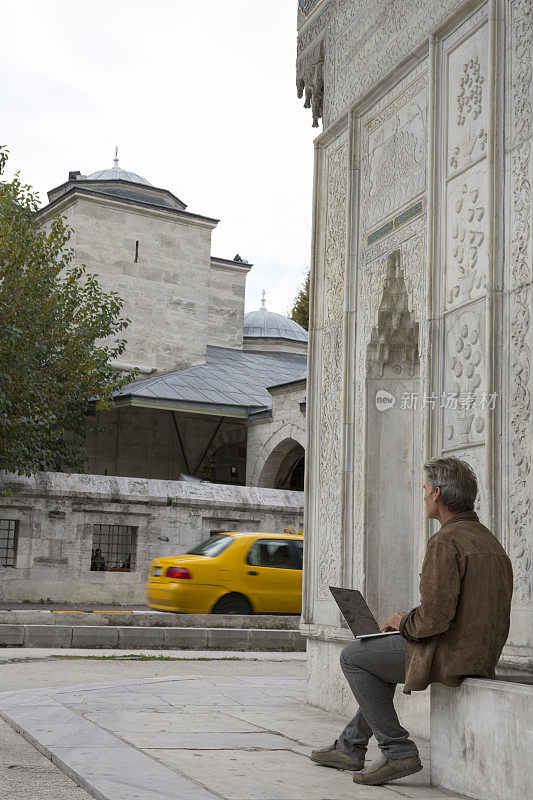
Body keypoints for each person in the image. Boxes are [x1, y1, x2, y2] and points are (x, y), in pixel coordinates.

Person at [311, 456, 513, 786]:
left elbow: (434, 618)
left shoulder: (446, 541)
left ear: (437, 493)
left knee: (354, 657)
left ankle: (397, 750)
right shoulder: (490, 542)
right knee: (376, 654)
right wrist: (408, 623)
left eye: (423, 489)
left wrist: (404, 622)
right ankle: (350, 746)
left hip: (450, 655)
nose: (422, 496)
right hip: (479, 653)